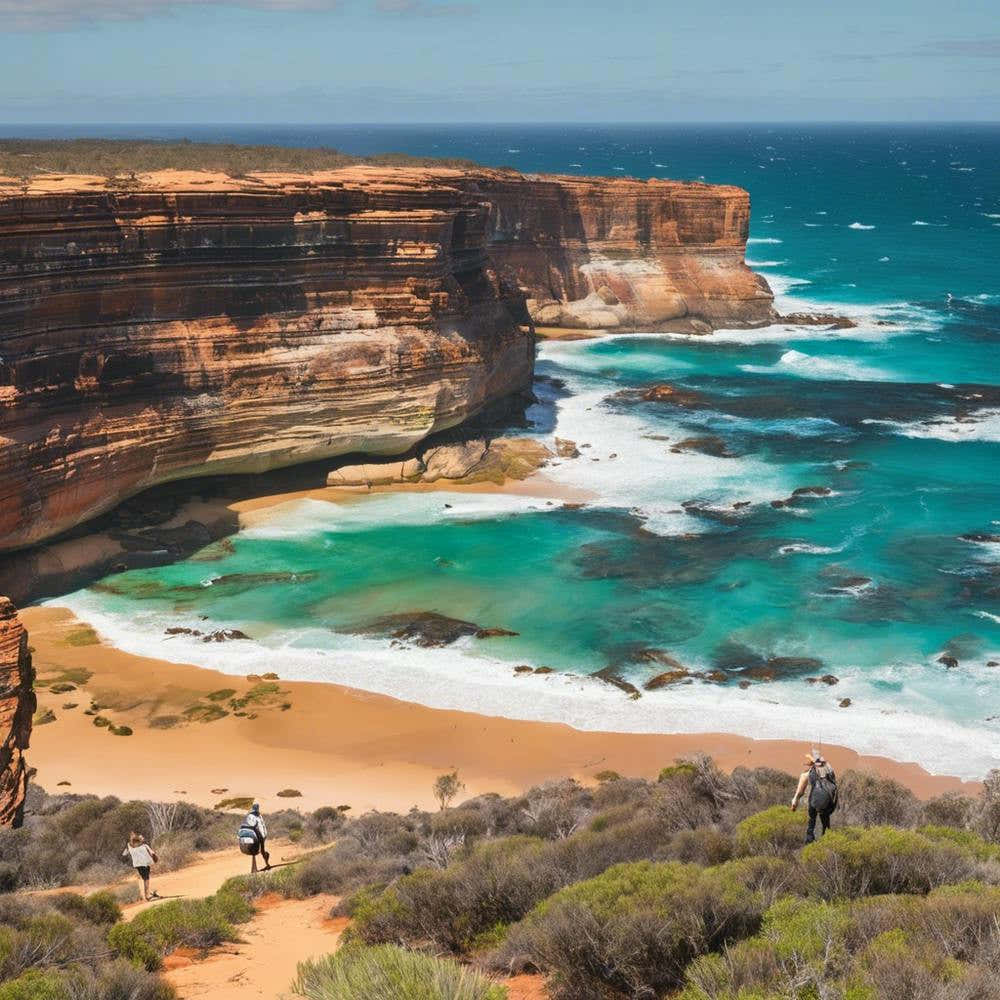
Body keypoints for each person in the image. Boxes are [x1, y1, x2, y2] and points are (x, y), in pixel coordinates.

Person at [791, 749, 838, 844]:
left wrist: (794, 803)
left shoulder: (807, 774)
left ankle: (809, 840)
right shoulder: (829, 769)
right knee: (825, 822)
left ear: (812, 763)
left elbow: (799, 792)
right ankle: (826, 840)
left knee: (811, 820)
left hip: (814, 801)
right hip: (828, 802)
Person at [122, 832, 159, 901]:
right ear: (139, 840)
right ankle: (147, 896)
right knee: (146, 879)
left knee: (145, 878)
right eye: (141, 838)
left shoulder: (129, 846)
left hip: (137, 865)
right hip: (145, 864)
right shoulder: (145, 846)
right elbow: (153, 854)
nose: (143, 839)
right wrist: (155, 860)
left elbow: (124, 854)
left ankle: (149, 893)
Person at [239, 803, 271, 873]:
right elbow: (255, 825)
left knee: (259, 850)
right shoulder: (256, 815)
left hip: (259, 835)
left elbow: (259, 826)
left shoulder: (256, 815)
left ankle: (264, 864)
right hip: (257, 835)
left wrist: (263, 835)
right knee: (259, 850)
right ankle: (266, 863)